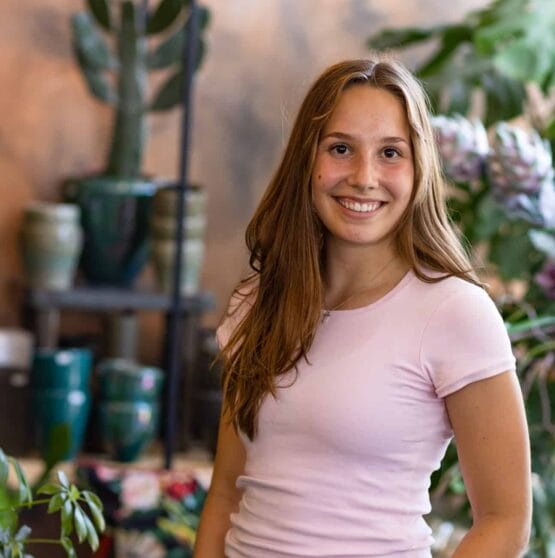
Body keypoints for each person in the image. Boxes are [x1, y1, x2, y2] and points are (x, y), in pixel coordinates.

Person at [193, 56, 532, 557]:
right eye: (340, 148)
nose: (364, 176)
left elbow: (506, 522)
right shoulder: (258, 299)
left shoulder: (455, 312)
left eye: (391, 152)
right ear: (307, 161)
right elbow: (224, 495)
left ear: (419, 167)